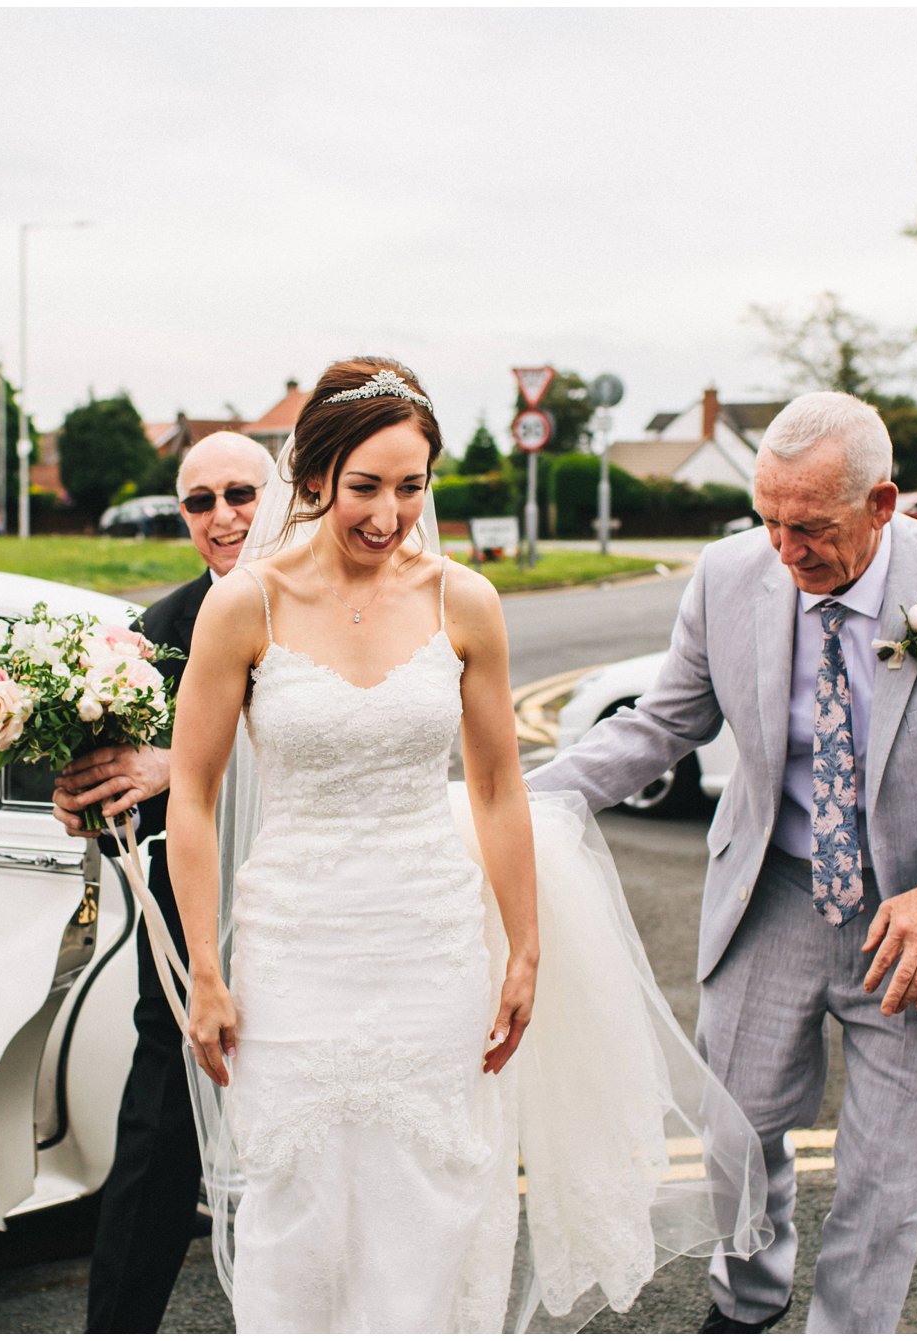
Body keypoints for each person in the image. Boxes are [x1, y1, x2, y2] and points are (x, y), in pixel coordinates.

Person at [165, 357, 769, 1333]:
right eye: (366, 487)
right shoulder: (247, 605)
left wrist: (524, 946)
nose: (389, 512)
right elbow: (189, 796)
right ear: (315, 478)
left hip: (430, 941)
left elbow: (494, 787)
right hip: (296, 943)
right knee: (299, 1202)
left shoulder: (464, 603)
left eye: (411, 487)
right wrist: (203, 966)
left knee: (432, 1195)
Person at [528, 391, 917, 1333]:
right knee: (736, 1136)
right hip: (772, 896)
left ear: (883, 504)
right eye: (769, 520)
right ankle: (746, 1301)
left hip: (915, 919)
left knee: (884, 1172)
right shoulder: (726, 575)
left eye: (812, 528)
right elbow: (665, 724)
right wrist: (516, 802)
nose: (786, 551)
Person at [56, 430, 274, 1335]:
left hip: (314, 899)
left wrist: (174, 766)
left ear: (281, 493)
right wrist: (92, 805)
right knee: (156, 1132)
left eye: (240, 494)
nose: (222, 517)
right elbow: (130, 799)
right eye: (200, 501)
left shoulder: (333, 606)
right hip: (190, 930)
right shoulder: (154, 635)